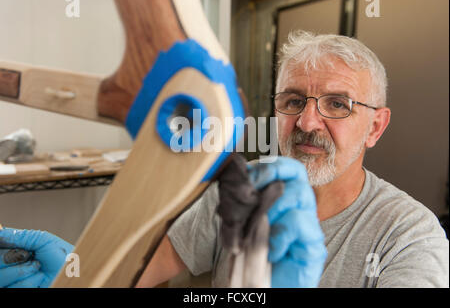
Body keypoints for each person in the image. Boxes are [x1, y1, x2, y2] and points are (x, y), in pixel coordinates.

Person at [0, 31, 448, 288]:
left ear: (375, 126)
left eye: (338, 104)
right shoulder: (242, 190)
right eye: (293, 100)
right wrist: (77, 274)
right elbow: (138, 272)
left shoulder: (410, 236)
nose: (308, 122)